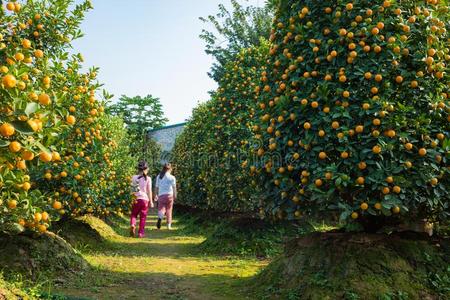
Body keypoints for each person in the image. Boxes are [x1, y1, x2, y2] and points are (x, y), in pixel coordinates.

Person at [130, 161, 154, 238]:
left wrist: (131, 199)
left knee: (134, 214)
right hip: (145, 200)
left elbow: (133, 190)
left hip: (136, 199)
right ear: (146, 169)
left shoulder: (134, 177)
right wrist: (151, 201)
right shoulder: (148, 179)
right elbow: (149, 190)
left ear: (138, 169)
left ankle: (133, 224)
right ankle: (140, 233)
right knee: (143, 217)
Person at [155, 163, 176, 230]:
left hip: (161, 195)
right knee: (169, 210)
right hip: (170, 195)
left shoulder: (159, 176)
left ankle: (160, 217)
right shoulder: (172, 177)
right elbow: (174, 188)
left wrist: (155, 195)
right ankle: (168, 226)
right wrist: (175, 195)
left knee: (161, 209)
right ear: (170, 169)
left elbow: (156, 187)